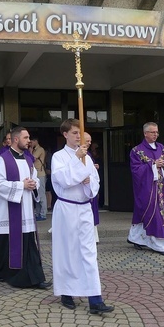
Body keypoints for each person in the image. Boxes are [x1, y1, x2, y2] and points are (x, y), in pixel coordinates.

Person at [50, 119, 113, 314]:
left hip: (84, 208)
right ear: (65, 134)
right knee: (67, 252)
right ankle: (67, 292)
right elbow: (64, 180)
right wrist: (77, 162)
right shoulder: (58, 157)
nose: (79, 136)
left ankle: (95, 298)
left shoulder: (87, 157)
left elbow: (95, 185)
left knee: (88, 253)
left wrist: (87, 181)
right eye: (75, 132)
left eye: (80, 133)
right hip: (66, 209)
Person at [0, 126, 50, 289]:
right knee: (1, 242)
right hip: (5, 209)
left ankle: (34, 276)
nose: (29, 141)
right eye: (26, 138)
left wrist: (34, 183)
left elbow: (35, 179)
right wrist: (21, 185)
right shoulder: (2, 159)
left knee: (27, 242)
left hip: (25, 209)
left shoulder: (29, 160)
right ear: (15, 139)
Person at [127, 122, 164, 256]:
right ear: (145, 133)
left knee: (159, 214)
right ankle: (159, 243)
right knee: (149, 213)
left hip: (160, 189)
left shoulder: (161, 148)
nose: (156, 135)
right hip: (146, 189)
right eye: (153, 132)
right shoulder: (136, 150)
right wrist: (153, 165)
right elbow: (135, 170)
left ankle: (137, 238)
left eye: (157, 132)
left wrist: (163, 165)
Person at [84, 132, 101, 243]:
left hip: (90, 187)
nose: (89, 143)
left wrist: (94, 168)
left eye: (90, 141)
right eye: (87, 140)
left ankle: (94, 237)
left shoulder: (88, 154)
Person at [30, 137, 48, 221]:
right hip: (35, 174)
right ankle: (37, 213)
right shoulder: (34, 149)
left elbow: (32, 158)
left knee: (41, 194)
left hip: (40, 173)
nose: (30, 143)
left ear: (36, 141)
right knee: (36, 195)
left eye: (32, 141)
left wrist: (29, 149)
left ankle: (43, 214)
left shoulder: (40, 149)